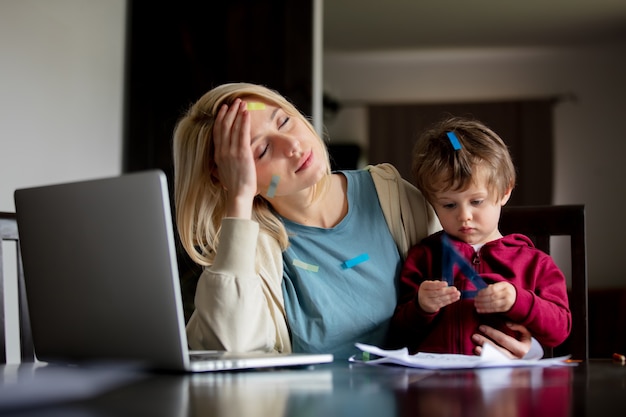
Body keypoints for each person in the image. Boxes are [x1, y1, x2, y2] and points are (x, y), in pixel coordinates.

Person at [172, 82, 535, 360]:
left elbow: (476, 281)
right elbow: (230, 352)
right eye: (262, 150)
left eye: (284, 120)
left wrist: (524, 345)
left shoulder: (393, 196)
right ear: (229, 175)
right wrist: (238, 199)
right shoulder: (250, 249)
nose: (293, 146)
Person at [391, 116, 571, 355]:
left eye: (476, 201)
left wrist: (519, 300)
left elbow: (560, 330)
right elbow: (397, 333)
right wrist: (421, 306)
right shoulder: (423, 257)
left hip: (505, 383)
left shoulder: (535, 263)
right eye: (448, 205)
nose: (464, 216)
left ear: (505, 191)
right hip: (434, 383)